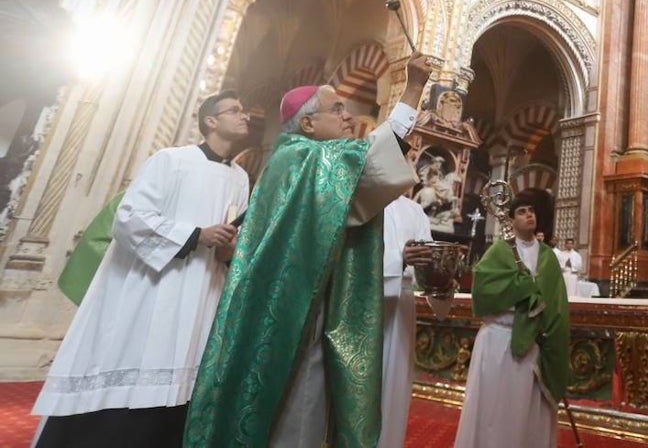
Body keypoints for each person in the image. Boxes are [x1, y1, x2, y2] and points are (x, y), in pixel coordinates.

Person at [184, 54, 434, 448]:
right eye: (337, 109)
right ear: (307, 123)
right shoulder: (301, 158)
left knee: (301, 409)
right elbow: (371, 161)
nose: (347, 116)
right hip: (293, 313)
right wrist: (413, 89)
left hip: (307, 308)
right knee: (294, 411)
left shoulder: (305, 160)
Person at [32, 91, 250, 448]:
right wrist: (197, 234)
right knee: (136, 359)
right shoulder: (171, 160)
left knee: (183, 379)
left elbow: (230, 236)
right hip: (154, 286)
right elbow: (130, 218)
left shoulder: (241, 178)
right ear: (211, 121)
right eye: (235, 110)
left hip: (200, 292)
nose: (246, 116)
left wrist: (227, 246)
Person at [453, 190, 570, 448]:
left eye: (531, 210)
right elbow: (482, 292)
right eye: (522, 211)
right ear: (511, 221)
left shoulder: (548, 257)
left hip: (533, 346)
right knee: (494, 410)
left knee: (525, 412)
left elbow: (558, 304)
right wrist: (521, 288)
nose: (529, 215)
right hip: (498, 341)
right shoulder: (499, 251)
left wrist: (550, 340)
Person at [379, 195, 433, 448]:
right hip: (366, 301)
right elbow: (351, 256)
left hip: (403, 306)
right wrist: (397, 259)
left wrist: (439, 276)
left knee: (395, 387)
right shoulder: (363, 198)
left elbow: (427, 260)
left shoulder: (415, 210)